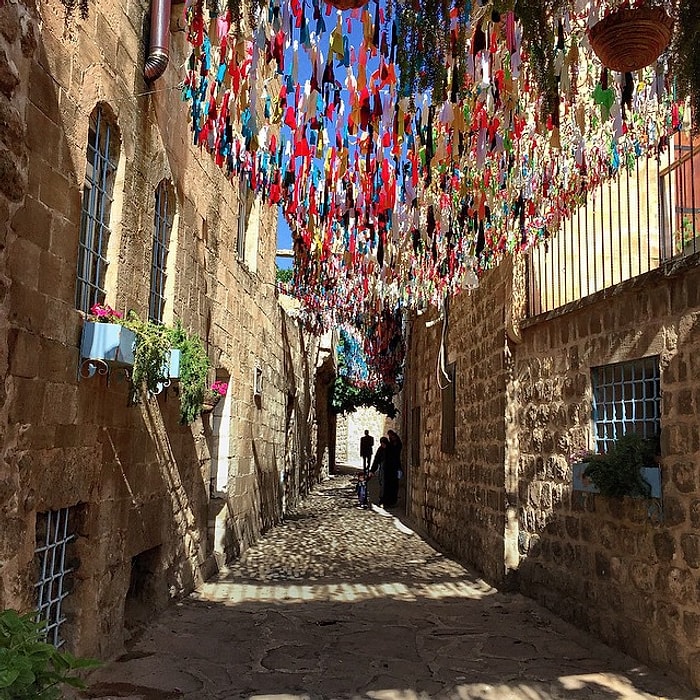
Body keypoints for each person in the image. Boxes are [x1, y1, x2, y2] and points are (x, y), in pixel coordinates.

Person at [381, 430, 403, 508]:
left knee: (392, 485)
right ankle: (388, 501)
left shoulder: (393, 445)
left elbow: (395, 454)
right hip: (390, 469)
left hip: (393, 468)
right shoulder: (391, 445)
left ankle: (390, 501)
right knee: (389, 485)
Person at [369, 436, 389, 505]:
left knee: (386, 485)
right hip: (382, 470)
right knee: (382, 484)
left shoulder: (390, 449)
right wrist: (372, 470)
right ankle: (382, 499)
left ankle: (385, 500)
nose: (383, 445)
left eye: (384, 444)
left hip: (389, 471)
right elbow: (376, 460)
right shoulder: (380, 450)